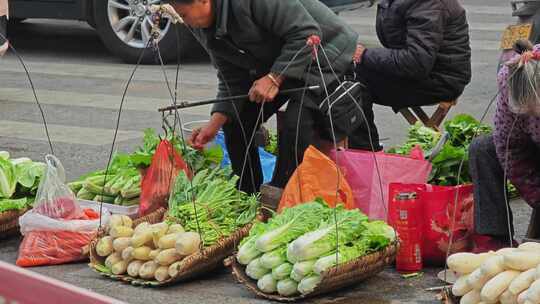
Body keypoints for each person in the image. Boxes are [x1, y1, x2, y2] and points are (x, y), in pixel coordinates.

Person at [171, 0, 375, 193]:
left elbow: (306, 33)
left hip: (324, 55)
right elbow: (231, 78)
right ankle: (248, 193)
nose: (183, 21)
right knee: (237, 121)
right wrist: (213, 126)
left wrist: (274, 78)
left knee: (296, 125)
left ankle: (283, 194)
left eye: (183, 14)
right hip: (282, 62)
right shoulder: (203, 28)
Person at [352, 0, 472, 125]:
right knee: (351, 71)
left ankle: (364, 144)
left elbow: (416, 62)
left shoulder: (429, 5)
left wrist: (365, 54)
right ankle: (360, 142)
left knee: (353, 84)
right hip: (425, 71)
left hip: (441, 81)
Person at [469, 44, 540, 252]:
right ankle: (496, 241)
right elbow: (509, 149)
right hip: (532, 147)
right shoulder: (511, 81)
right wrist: (536, 194)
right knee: (483, 149)